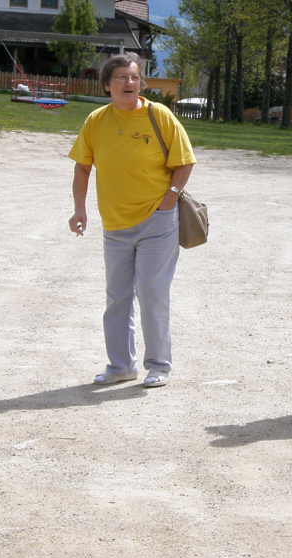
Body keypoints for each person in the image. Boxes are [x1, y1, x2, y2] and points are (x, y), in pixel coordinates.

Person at [68, 53, 196, 388]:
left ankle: (159, 365)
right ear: (106, 85)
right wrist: (79, 209)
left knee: (152, 292)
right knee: (118, 297)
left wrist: (168, 201)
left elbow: (185, 162)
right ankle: (121, 366)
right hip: (115, 225)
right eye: (122, 77)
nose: (129, 83)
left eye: (135, 77)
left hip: (157, 220)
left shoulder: (159, 115)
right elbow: (82, 167)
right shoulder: (96, 120)